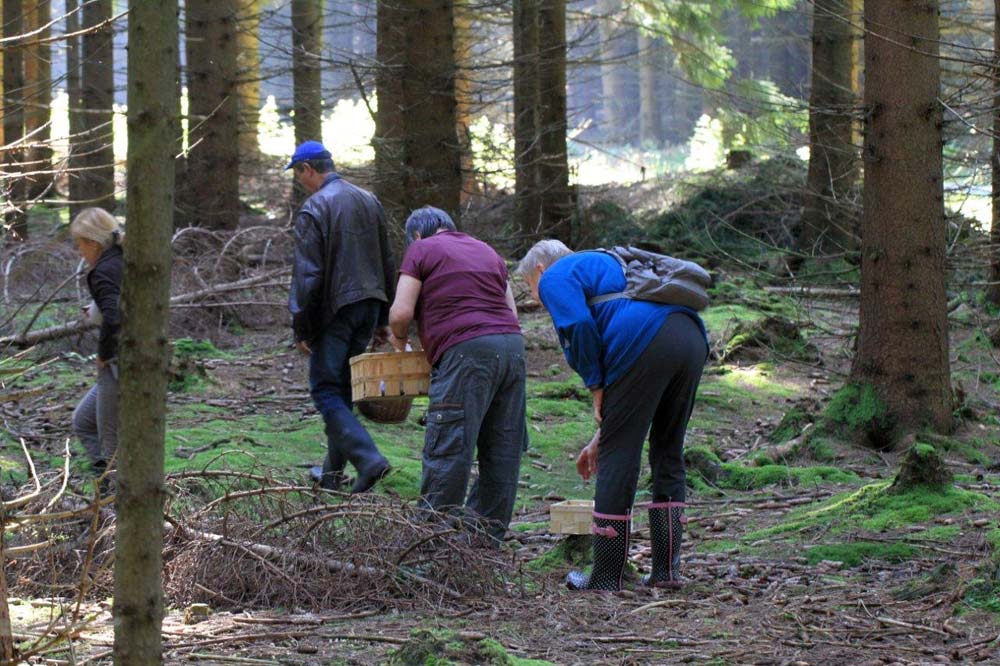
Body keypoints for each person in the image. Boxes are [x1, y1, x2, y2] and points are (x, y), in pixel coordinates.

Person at [517, 239, 708, 591]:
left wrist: (595, 385)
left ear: (539, 270)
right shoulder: (609, 263)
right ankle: (666, 572)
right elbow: (631, 407)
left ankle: (606, 576)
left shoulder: (555, 275)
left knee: (619, 455)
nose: (535, 297)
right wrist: (600, 435)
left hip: (643, 339)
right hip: (691, 336)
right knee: (668, 450)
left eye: (530, 286)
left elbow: (578, 324)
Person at [388, 207, 526, 543]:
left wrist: (400, 341)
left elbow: (401, 312)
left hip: (465, 353)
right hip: (512, 349)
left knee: (450, 445)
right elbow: (511, 312)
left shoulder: (421, 249)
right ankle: (483, 540)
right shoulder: (487, 251)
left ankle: (431, 541)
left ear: (416, 234)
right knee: (502, 446)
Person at [287, 140, 395, 493]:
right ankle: (331, 475)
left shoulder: (314, 207)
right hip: (369, 304)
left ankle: (369, 459)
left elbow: (308, 276)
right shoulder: (369, 200)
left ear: (307, 169)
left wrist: (301, 327)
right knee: (344, 390)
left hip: (335, 310)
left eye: (298, 174)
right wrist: (383, 317)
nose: (299, 181)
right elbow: (387, 259)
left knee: (325, 390)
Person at [70, 208, 123, 487]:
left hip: (118, 363)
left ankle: (115, 500)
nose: (80, 251)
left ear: (93, 242)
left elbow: (114, 316)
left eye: (80, 244)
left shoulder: (102, 270)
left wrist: (103, 355)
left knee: (110, 439)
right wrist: (94, 309)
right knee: (84, 421)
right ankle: (103, 482)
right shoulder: (121, 258)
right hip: (133, 357)